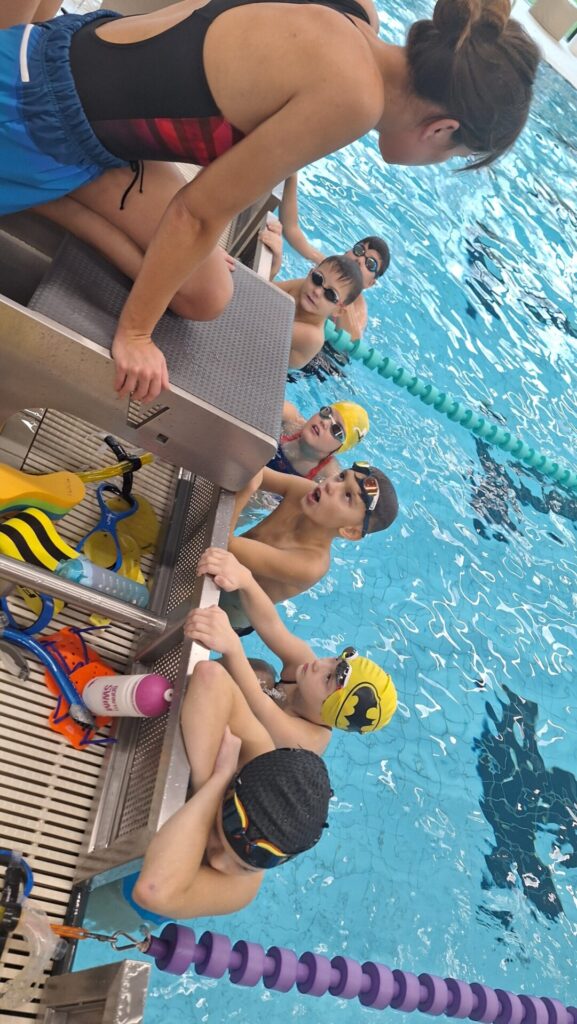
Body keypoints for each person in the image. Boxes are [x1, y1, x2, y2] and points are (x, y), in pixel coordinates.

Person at [0, 0, 539, 401]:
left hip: (64, 50)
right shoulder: (355, 97)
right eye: (453, 155)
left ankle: (42, 194)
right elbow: (196, 212)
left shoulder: (357, 16)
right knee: (198, 293)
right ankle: (32, 184)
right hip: (35, 115)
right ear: (442, 129)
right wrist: (135, 334)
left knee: (210, 289)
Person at [132, 658, 331, 919]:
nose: (217, 862)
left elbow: (152, 890)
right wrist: (210, 781)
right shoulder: (256, 754)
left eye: (244, 867)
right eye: (218, 836)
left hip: (139, 886)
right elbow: (210, 676)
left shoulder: (242, 891)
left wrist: (214, 783)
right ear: (236, 780)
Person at [186, 547, 397, 754]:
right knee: (262, 672)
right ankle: (188, 680)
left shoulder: (309, 740)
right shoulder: (306, 669)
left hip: (231, 757)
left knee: (253, 684)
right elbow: (271, 625)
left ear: (328, 710)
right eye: (334, 660)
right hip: (240, 712)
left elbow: (259, 704)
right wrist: (245, 580)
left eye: (328, 678)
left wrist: (232, 645)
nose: (320, 664)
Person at [223, 462, 399, 627]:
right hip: (220, 561)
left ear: (350, 531)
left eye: (347, 496)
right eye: (341, 477)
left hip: (225, 614)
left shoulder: (310, 564)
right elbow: (255, 472)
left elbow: (225, 545)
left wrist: (248, 489)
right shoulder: (304, 491)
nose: (331, 485)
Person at [261, 185, 390, 340]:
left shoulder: (357, 308)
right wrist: (291, 179)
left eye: (370, 264)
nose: (360, 260)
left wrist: (345, 292)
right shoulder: (324, 270)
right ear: (347, 252)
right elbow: (292, 229)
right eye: (359, 250)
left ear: (370, 283)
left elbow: (353, 339)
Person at [275, 256, 362, 368]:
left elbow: (267, 326)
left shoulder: (313, 336)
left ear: (339, 311)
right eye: (318, 278)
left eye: (330, 294)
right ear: (310, 273)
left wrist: (276, 265)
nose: (317, 291)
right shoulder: (303, 287)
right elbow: (264, 290)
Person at [267, 398, 369, 480]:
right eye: (327, 412)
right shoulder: (291, 422)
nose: (324, 422)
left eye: (336, 430)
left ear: (339, 448)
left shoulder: (328, 475)